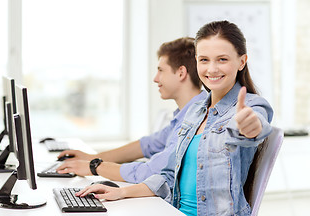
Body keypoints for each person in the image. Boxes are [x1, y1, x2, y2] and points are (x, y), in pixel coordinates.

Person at [76, 20, 274, 216]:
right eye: (204, 60)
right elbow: (168, 175)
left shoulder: (251, 106)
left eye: (222, 59)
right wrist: (121, 192)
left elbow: (256, 127)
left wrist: (250, 126)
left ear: (241, 61)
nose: (212, 69)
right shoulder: (195, 110)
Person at [56, 37, 207, 183]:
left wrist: (94, 167)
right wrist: (91, 157)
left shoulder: (198, 119)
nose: (155, 78)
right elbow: (147, 145)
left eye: (161, 70)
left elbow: (151, 171)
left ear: (181, 73)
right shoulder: (184, 116)